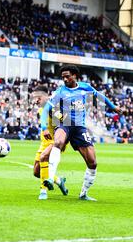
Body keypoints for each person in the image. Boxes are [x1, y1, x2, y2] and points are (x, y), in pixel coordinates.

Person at [41, 65, 125, 201]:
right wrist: (44, 127)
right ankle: (50, 178)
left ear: (75, 75)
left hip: (80, 128)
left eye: (67, 76)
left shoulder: (85, 87)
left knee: (92, 162)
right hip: (64, 124)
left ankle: (84, 193)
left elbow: (100, 96)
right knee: (58, 142)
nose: (65, 79)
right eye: (63, 77)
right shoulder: (60, 92)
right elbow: (46, 110)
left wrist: (113, 107)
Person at [32, 85, 68, 200]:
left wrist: (62, 142)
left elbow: (66, 124)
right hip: (44, 143)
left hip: (55, 142)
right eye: (35, 97)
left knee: (43, 158)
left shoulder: (53, 109)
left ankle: (43, 191)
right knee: (36, 172)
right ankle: (59, 180)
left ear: (46, 96)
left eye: (39, 97)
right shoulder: (41, 109)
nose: (36, 100)